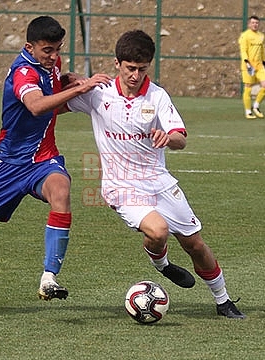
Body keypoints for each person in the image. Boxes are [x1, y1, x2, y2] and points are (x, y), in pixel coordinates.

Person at [0, 16, 112, 308]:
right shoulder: (23, 73)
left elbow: (53, 102)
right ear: (29, 47)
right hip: (7, 167)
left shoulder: (49, 65)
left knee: (61, 191)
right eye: (47, 51)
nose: (54, 56)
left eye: (57, 49)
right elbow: (36, 105)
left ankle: (49, 277)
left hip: (43, 159)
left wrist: (70, 83)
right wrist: (79, 89)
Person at [67, 30, 246, 319]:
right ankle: (161, 264)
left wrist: (167, 137)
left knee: (194, 243)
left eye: (142, 69)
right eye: (130, 69)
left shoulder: (157, 96)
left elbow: (181, 137)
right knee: (159, 230)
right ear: (117, 64)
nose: (135, 75)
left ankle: (223, 300)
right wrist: (77, 84)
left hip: (159, 182)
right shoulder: (99, 95)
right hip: (121, 187)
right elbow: (56, 100)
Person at [238, 15, 265, 119]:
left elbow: (262, 50)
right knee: (248, 87)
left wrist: (264, 63)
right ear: (249, 24)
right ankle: (248, 112)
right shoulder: (245, 35)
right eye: (253, 23)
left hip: (259, 65)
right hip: (248, 65)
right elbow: (243, 50)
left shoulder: (261, 36)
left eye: (256, 23)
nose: (255, 25)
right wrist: (247, 63)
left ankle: (256, 106)